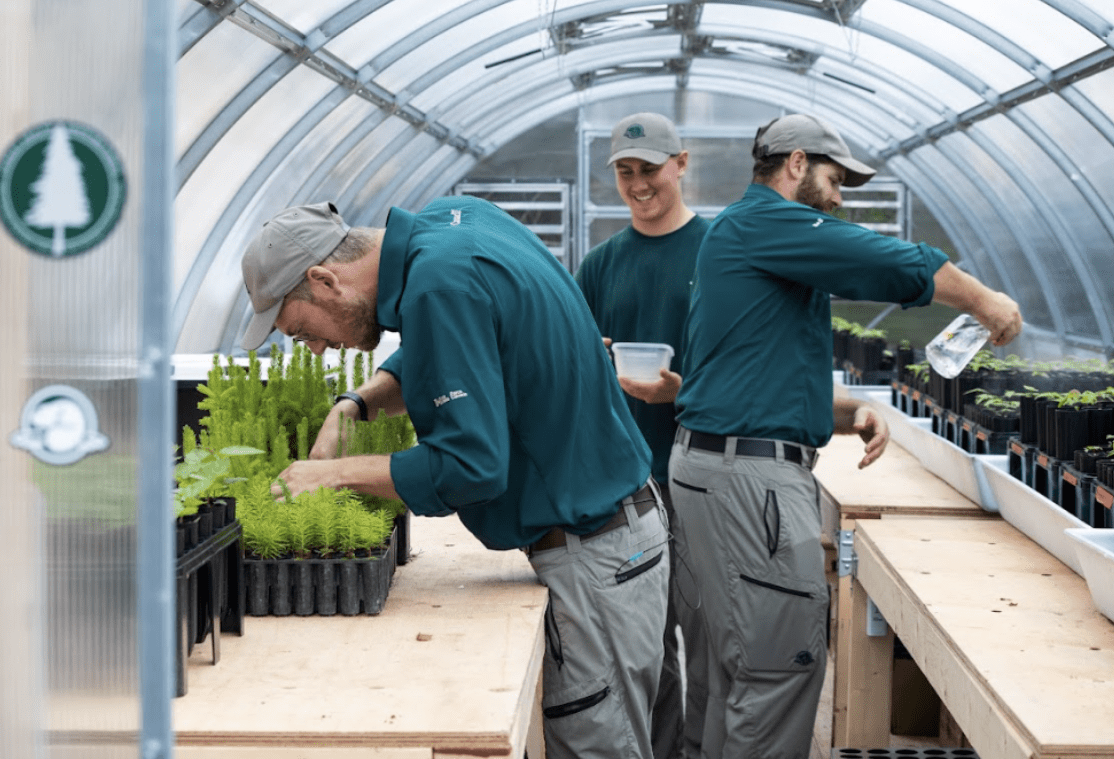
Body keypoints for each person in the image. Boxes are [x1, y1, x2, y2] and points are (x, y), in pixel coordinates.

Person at [239, 198, 672, 759]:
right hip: (619, 536)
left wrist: (335, 476)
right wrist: (356, 404)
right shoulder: (454, 224)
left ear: (324, 280)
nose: (319, 349)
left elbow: (472, 466)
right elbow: (448, 346)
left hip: (594, 554)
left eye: (303, 332)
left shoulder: (437, 286)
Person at [669, 113, 1023, 759]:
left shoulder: (738, 239)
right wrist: (982, 300)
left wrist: (846, 412)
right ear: (796, 164)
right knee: (779, 672)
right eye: (834, 182)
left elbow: (744, 376)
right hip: (750, 487)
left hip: (715, 472)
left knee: (739, 675)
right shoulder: (766, 224)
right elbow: (878, 260)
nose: (838, 201)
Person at [574, 112, 708, 759]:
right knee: (643, 639)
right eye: (625, 172)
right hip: (627, 479)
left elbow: (742, 367)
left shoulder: (717, 253)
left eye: (649, 169)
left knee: (707, 631)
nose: (637, 184)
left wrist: (680, 391)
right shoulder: (600, 266)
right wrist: (594, 357)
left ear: (682, 163)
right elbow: (568, 363)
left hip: (702, 471)